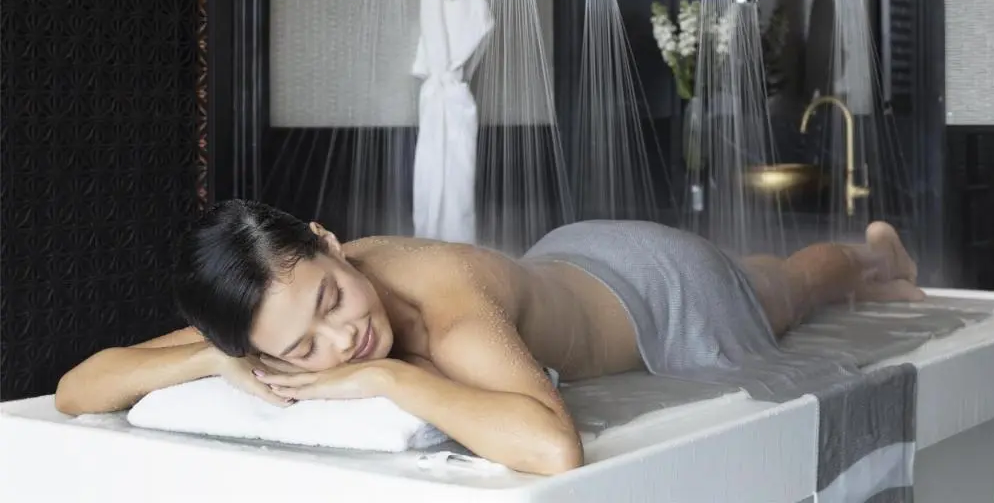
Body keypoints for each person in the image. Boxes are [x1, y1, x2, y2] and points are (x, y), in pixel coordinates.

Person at [55, 200, 924, 476]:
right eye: (299, 349)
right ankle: (861, 261)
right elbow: (78, 387)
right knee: (775, 278)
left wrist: (392, 383)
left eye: (331, 298)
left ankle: (868, 257)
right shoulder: (269, 314)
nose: (342, 339)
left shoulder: (442, 304)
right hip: (561, 263)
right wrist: (219, 354)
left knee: (785, 289)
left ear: (328, 240)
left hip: (659, 288)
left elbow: (551, 449)